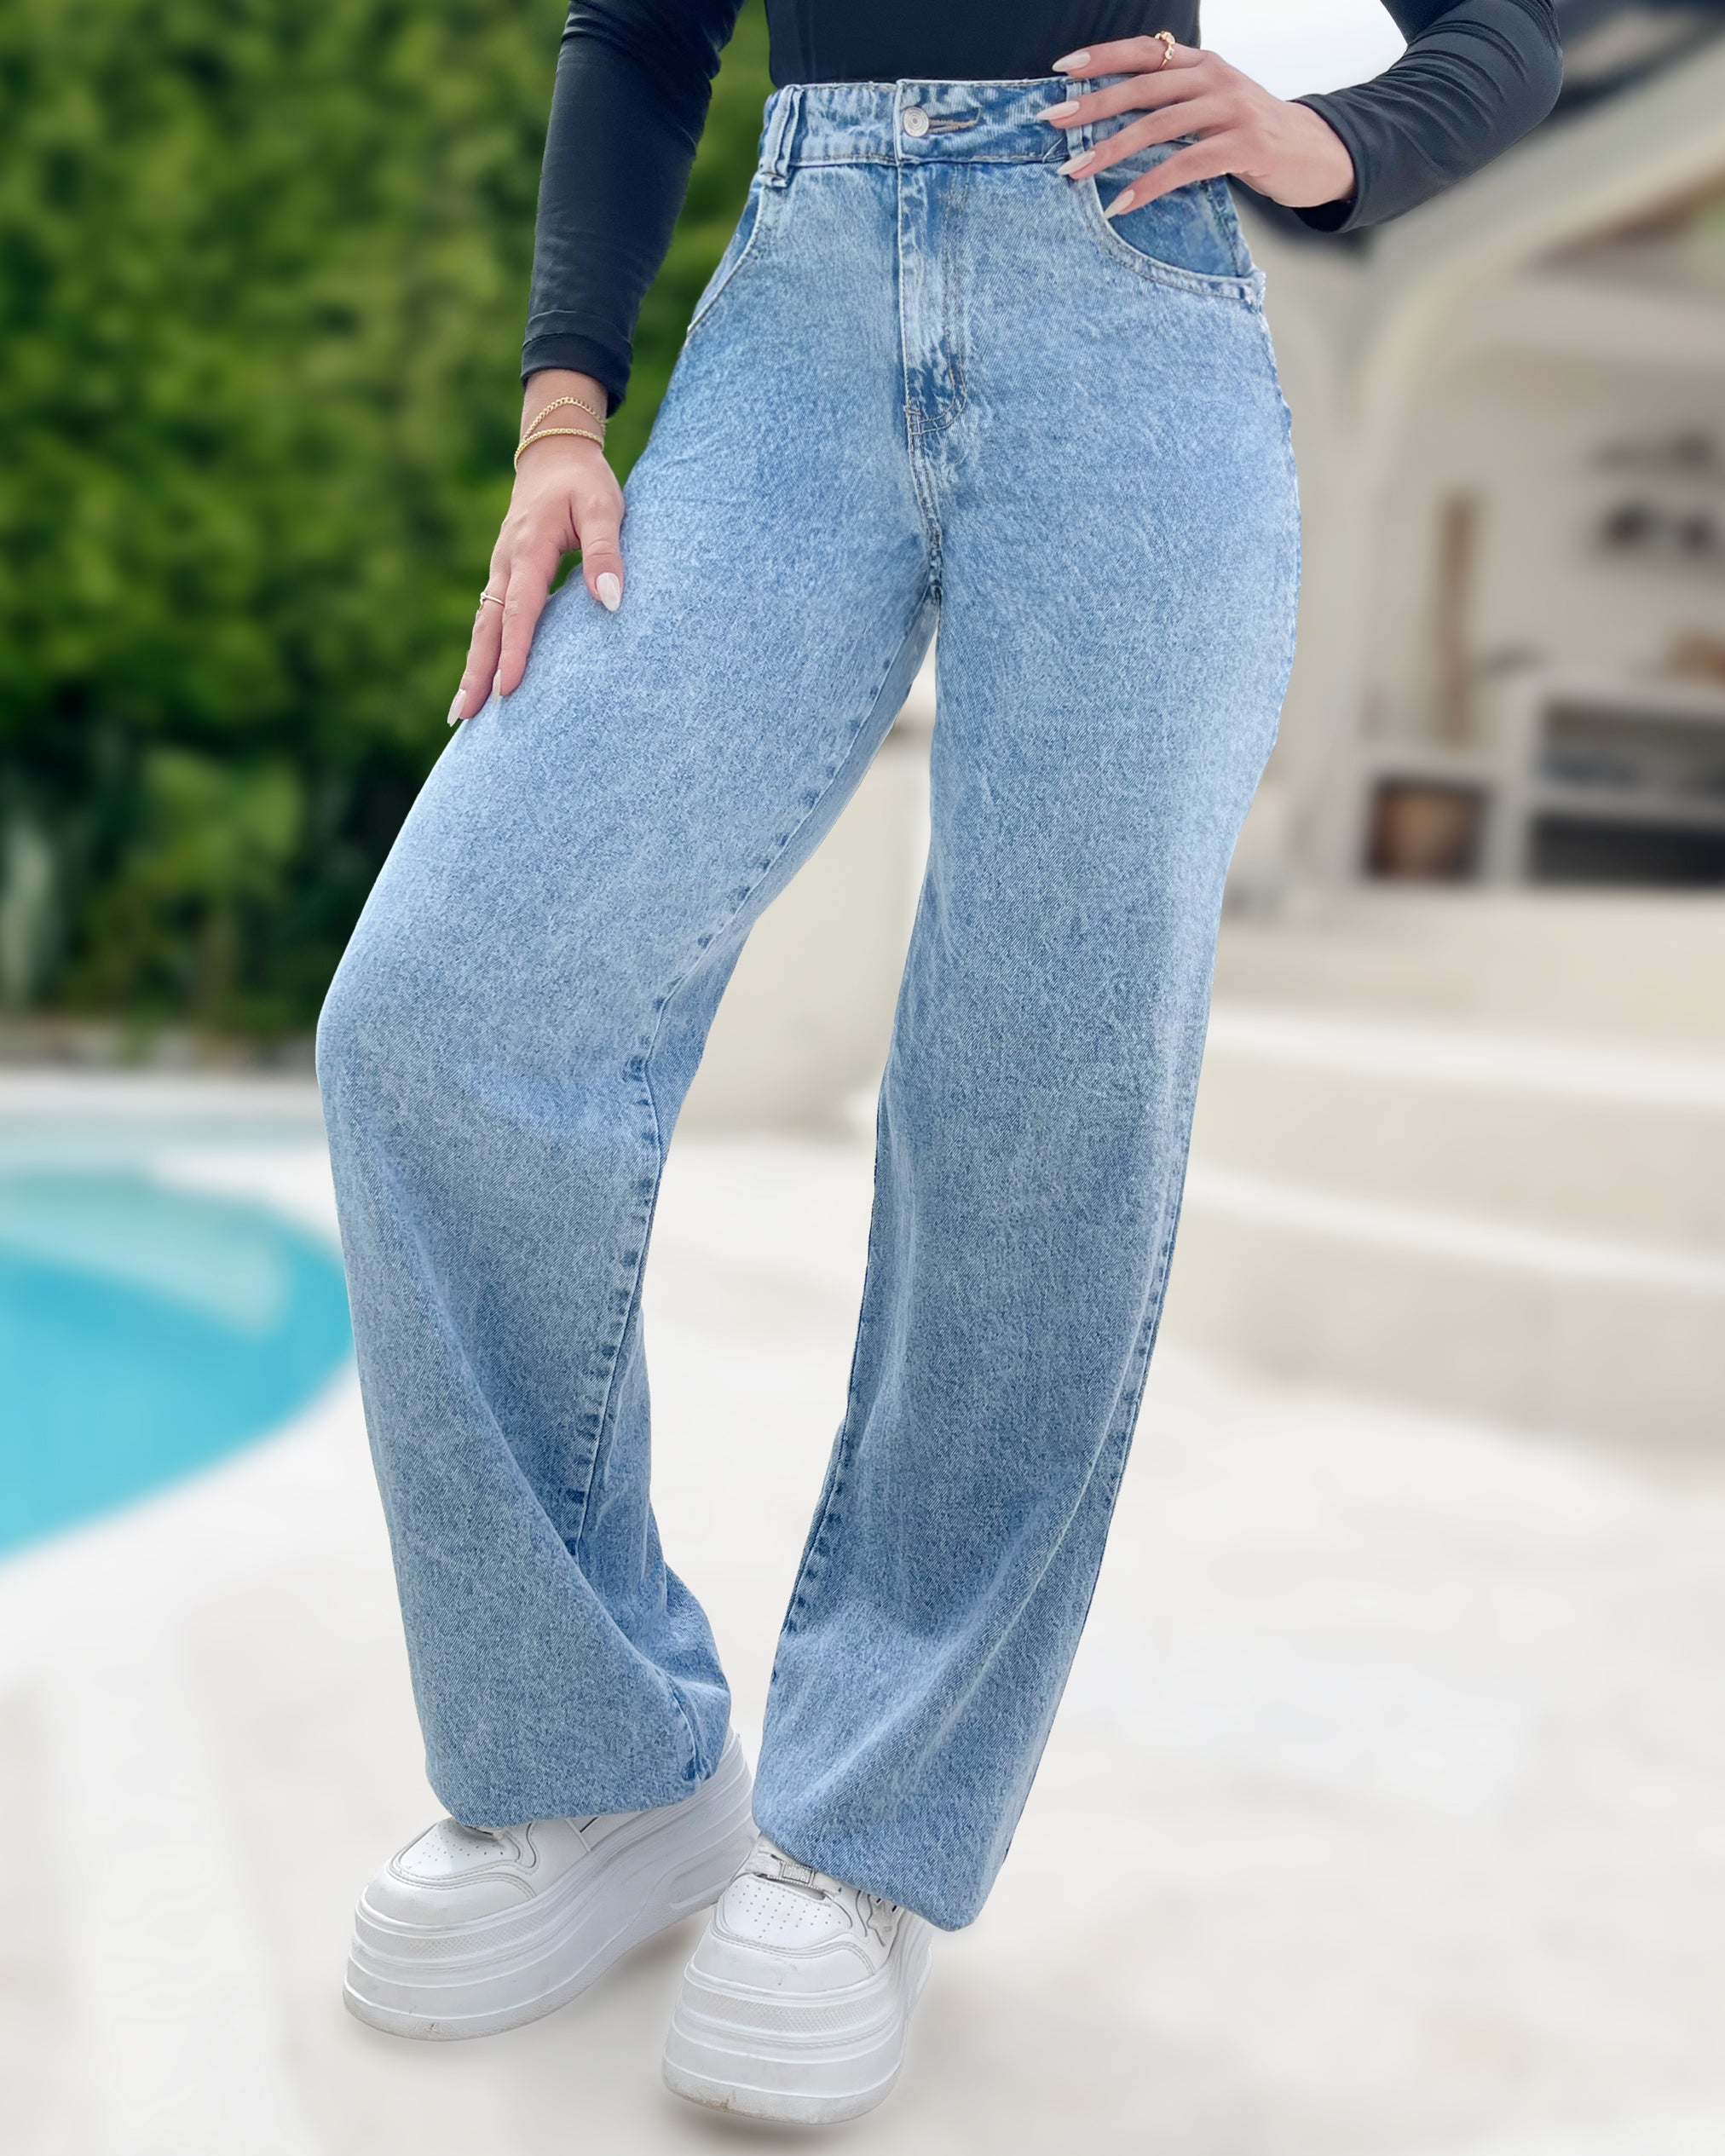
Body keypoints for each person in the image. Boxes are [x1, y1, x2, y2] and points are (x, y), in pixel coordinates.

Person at [316, 2, 1561, 2125]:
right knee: (437, 1007)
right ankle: (591, 1763)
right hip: (791, 321)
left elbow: (1505, 34)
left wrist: (1328, 142)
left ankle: (864, 1831)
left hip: (1131, 320)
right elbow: (638, 29)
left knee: (1036, 1085)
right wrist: (559, 411)